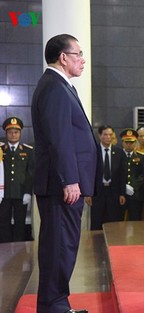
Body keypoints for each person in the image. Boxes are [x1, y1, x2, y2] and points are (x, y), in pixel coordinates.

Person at [31, 33, 98, 313]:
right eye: (78, 54)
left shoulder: (60, 85)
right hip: (62, 186)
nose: (83, 60)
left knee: (63, 245)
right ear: (63, 57)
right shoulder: (55, 87)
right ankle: (53, 306)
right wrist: (70, 179)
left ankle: (57, 303)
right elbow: (60, 139)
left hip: (65, 183)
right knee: (59, 246)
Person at [86, 125, 127, 230]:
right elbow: (89, 173)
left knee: (113, 221)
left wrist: (122, 193)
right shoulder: (94, 151)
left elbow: (123, 174)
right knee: (97, 221)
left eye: (110, 134)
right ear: (100, 136)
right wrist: (88, 193)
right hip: (97, 192)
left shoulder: (119, 152)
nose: (108, 137)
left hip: (114, 192)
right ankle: (96, 245)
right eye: (105, 134)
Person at [0, 117, 34, 242]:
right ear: (6, 134)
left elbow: (30, 173)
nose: (13, 135)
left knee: (20, 223)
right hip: (3, 194)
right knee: (3, 223)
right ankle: (5, 252)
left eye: (16, 132)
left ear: (20, 133)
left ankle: (18, 253)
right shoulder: (1, 150)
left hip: (21, 193)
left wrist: (27, 192)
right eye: (10, 132)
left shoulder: (28, 151)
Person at [120, 128, 144, 221]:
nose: (129, 145)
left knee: (135, 220)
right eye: (126, 142)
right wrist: (123, 187)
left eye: (132, 142)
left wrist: (133, 186)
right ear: (122, 142)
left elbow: (143, 175)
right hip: (121, 194)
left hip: (136, 194)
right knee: (119, 220)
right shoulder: (118, 155)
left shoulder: (141, 156)